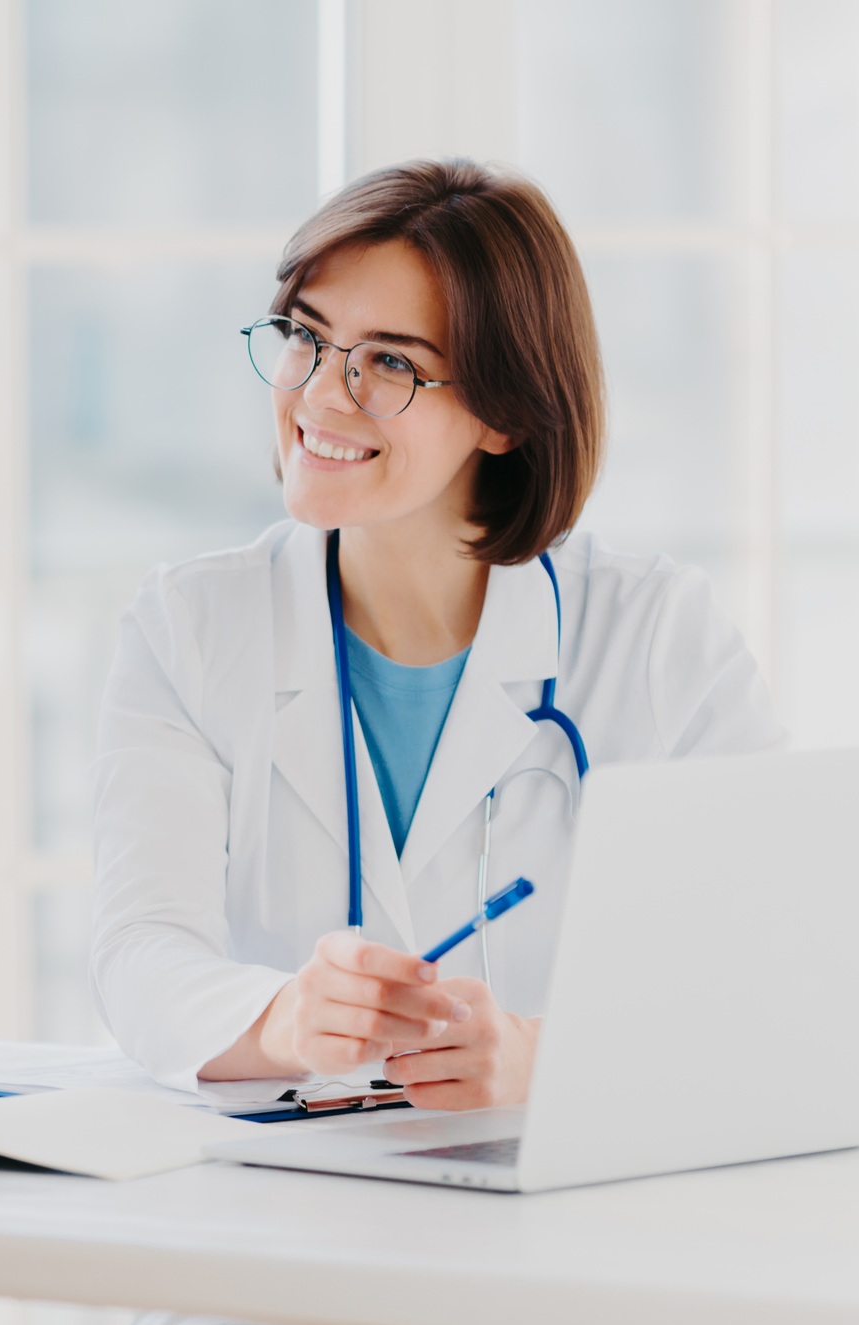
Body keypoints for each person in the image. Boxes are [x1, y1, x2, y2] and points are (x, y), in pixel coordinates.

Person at [89, 159, 782, 1112]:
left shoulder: (658, 639)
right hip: (286, 1208)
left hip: (567, 1210)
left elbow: (783, 973)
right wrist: (284, 1018)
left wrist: (551, 1060)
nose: (323, 396)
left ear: (503, 412)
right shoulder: (190, 628)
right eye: (307, 337)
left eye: (391, 362)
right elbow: (140, 953)